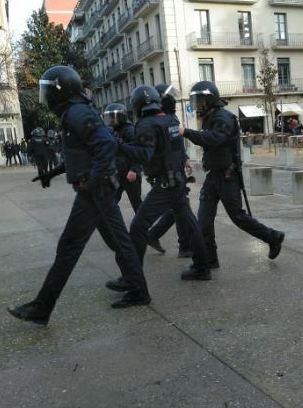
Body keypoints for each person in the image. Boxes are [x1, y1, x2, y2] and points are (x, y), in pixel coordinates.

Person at [8, 66, 150, 326]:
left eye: (48, 90)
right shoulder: (74, 111)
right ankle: (138, 290)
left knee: (69, 247)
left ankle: (42, 307)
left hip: (94, 191)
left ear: (61, 91)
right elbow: (80, 154)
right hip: (96, 189)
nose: (46, 96)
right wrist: (53, 172)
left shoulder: (76, 112)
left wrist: (94, 180)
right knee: (120, 242)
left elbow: (106, 144)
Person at [181, 80, 285, 269]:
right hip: (213, 176)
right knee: (203, 220)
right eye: (195, 101)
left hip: (227, 177)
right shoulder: (210, 117)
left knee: (238, 217)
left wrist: (186, 132)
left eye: (200, 101)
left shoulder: (223, 118)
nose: (197, 105)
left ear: (210, 100)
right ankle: (209, 260)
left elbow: (214, 139)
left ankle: (273, 237)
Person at [119, 85, 211, 280]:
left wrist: (117, 147)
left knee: (138, 227)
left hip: (164, 184)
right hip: (177, 181)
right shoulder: (170, 120)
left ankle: (132, 281)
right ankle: (202, 267)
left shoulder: (145, 124)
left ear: (137, 105)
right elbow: (177, 148)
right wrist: (184, 162)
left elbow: (144, 154)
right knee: (191, 223)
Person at [145, 84, 193, 258]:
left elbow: (176, 145)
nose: (173, 100)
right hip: (167, 174)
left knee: (178, 209)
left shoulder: (171, 118)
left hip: (175, 170)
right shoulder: (157, 121)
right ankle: (184, 246)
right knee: (180, 209)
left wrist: (185, 158)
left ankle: (154, 235)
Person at [103, 102, 142, 212]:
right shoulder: (115, 131)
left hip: (130, 173)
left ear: (121, 117)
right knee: (111, 200)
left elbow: (138, 150)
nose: (110, 120)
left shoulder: (130, 130)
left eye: (113, 117)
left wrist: (134, 169)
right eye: (109, 117)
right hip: (118, 172)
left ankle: (143, 226)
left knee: (136, 203)